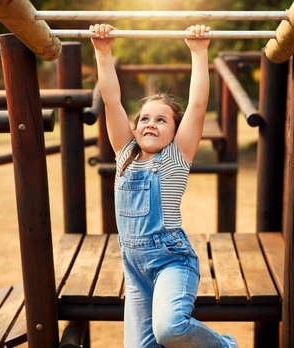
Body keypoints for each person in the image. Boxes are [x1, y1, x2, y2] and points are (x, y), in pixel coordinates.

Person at [90, 23, 238, 348]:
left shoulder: (175, 157)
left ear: (175, 131)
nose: (151, 124)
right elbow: (113, 102)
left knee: (169, 329)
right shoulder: (125, 153)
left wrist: (198, 53)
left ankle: (225, 346)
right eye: (144, 118)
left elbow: (197, 105)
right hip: (134, 266)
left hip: (171, 260)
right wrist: (103, 52)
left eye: (162, 120)